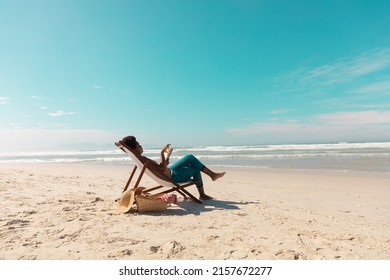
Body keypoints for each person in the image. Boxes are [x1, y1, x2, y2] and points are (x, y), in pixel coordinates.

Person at [122, 135, 225, 200]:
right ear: (134, 148)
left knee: (189, 157)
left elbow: (160, 168)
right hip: (171, 177)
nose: (141, 146)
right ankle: (204, 191)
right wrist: (162, 153)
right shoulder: (143, 159)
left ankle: (212, 175)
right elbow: (162, 170)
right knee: (195, 169)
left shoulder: (140, 159)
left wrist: (165, 162)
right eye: (138, 145)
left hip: (168, 172)